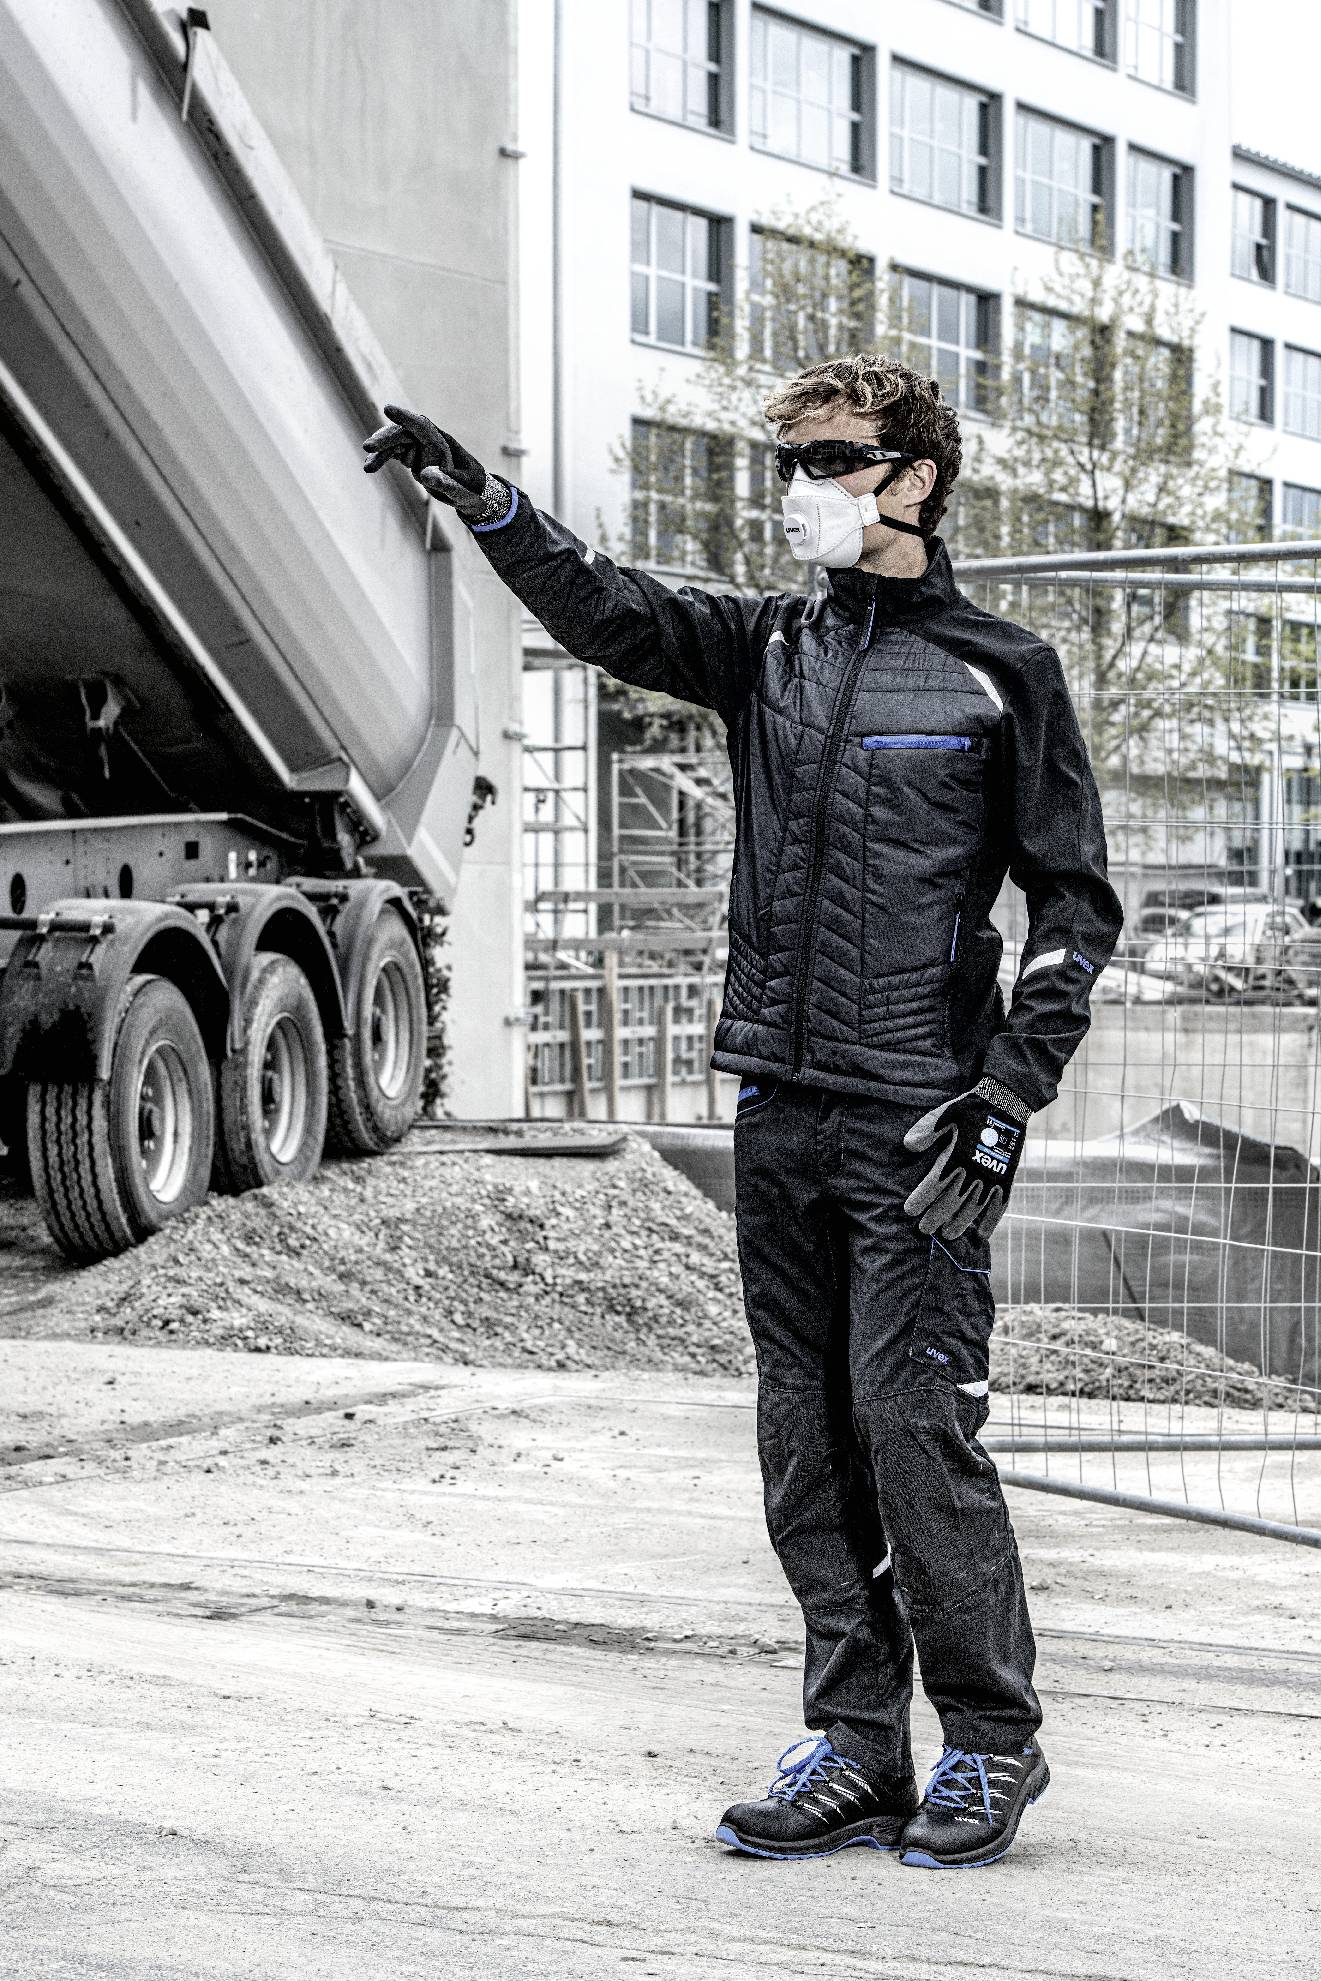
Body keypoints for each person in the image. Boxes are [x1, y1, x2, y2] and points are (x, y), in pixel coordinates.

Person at [363, 353, 1123, 1871]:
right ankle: (856, 1744)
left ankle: (990, 1744)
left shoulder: (1001, 669)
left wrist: (1003, 1097)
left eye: (828, 457)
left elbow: (1074, 903)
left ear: (911, 478)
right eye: (788, 461)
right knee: (805, 1440)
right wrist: (490, 504)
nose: (799, 488)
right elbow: (608, 608)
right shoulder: (768, 647)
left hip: (919, 1125)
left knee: (913, 1425)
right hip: (777, 1109)